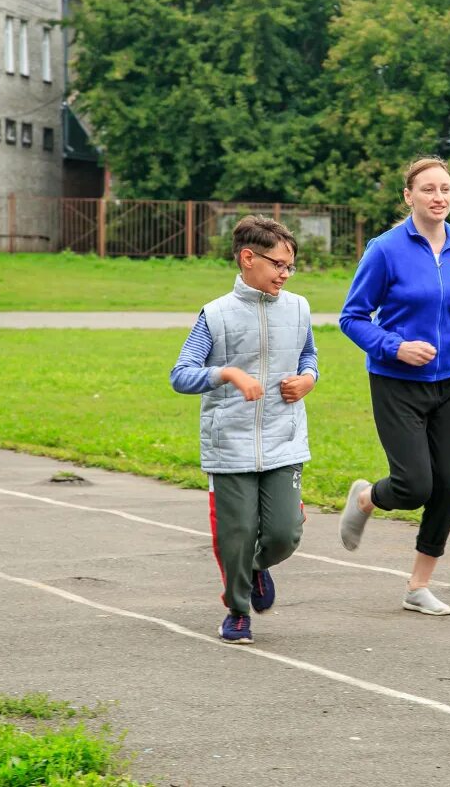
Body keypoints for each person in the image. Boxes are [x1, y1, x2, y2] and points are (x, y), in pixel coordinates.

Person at [338, 156, 450, 616]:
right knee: (413, 486)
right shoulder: (385, 250)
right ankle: (366, 498)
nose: (438, 197)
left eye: (444, 188)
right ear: (409, 196)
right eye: (428, 189)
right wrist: (395, 347)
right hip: (396, 381)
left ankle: (418, 586)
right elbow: (352, 318)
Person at [170, 215, 318, 644]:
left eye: (291, 266)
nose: (285, 274)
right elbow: (181, 375)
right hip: (230, 442)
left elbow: (309, 357)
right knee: (234, 535)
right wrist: (228, 374)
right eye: (278, 265)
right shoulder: (215, 316)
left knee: (284, 533)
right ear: (248, 258)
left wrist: (308, 379)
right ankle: (237, 610)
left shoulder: (299, 308)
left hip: (283, 438)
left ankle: (256, 567)